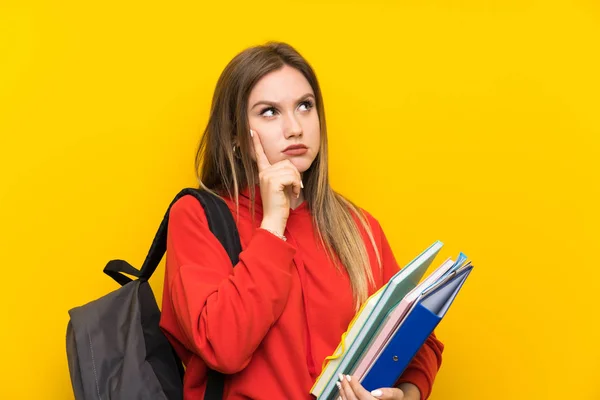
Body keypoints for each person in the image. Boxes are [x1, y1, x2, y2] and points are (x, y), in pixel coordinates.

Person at [159, 41, 444, 400]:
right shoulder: (197, 217)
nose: (294, 128)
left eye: (305, 106)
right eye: (269, 112)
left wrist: (404, 394)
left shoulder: (358, 227)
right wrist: (273, 223)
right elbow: (223, 347)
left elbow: (416, 339)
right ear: (235, 135)